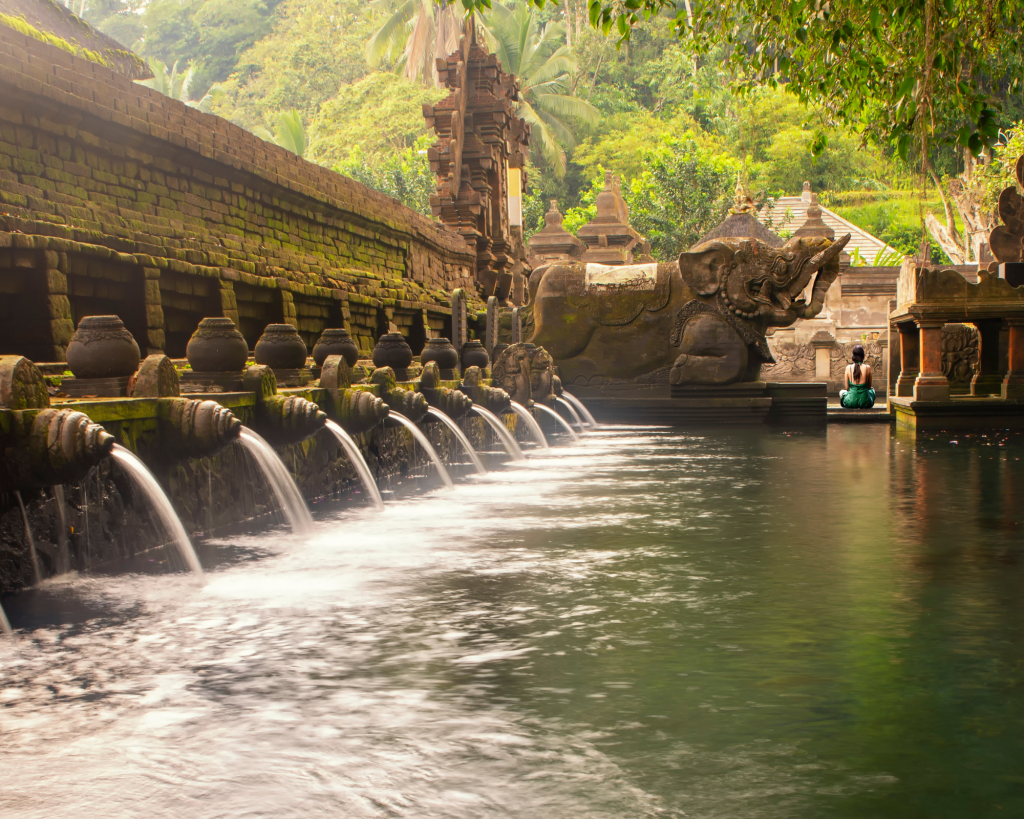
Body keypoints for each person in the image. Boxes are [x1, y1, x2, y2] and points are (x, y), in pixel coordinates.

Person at [839, 344, 875, 408]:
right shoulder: (868, 368)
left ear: (853, 355)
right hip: (865, 402)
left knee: (841, 392)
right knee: (873, 390)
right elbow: (869, 387)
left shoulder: (848, 368)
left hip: (851, 402)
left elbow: (847, 388)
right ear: (863, 356)